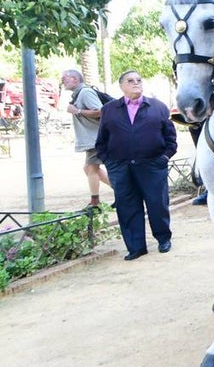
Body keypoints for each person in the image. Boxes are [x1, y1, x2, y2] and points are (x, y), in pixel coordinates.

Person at [95, 70, 178, 260]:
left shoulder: (158, 107)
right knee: (127, 207)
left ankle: (163, 239)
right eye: (130, 81)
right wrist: (109, 163)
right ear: (121, 86)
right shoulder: (109, 109)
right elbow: (101, 140)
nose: (136, 83)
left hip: (152, 166)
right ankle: (136, 247)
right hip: (120, 167)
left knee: (157, 204)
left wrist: (164, 158)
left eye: (139, 80)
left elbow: (170, 138)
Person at [60, 69, 111, 207]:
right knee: (89, 168)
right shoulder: (80, 94)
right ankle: (123, 191)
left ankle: (95, 202)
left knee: (90, 168)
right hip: (93, 139)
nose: (62, 81)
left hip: (96, 139)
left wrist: (77, 111)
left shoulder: (85, 92)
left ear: (75, 79)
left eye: (64, 78)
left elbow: (100, 111)